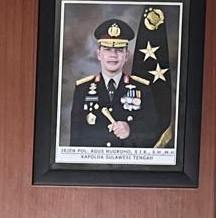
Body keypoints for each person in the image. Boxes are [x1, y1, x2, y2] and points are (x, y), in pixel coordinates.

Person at [67, 18, 163, 149]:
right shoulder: (82, 89)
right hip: (94, 161)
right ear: (99, 54)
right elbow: (76, 140)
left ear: (126, 55)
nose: (113, 55)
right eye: (107, 49)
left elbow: (152, 132)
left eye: (119, 50)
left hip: (128, 161)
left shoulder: (142, 88)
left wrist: (130, 130)